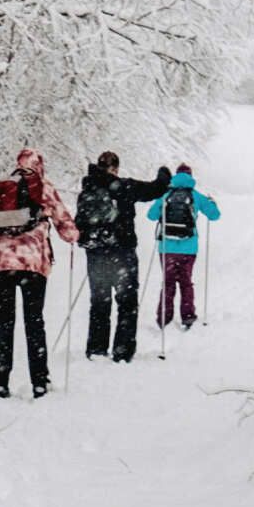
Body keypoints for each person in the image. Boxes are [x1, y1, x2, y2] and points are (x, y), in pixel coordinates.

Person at [0, 149, 80, 398]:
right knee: (34, 321)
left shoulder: (3, 185)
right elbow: (65, 224)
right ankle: (39, 380)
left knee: (4, 321)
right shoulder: (43, 188)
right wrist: (73, 235)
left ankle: (1, 382)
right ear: (40, 166)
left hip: (0, 263)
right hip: (32, 265)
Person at [75, 151, 170, 363]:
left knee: (100, 302)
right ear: (115, 168)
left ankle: (97, 349)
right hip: (122, 253)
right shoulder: (125, 186)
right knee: (127, 303)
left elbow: (79, 223)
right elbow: (156, 188)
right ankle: (122, 350)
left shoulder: (87, 190)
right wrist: (164, 174)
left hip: (96, 253)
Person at [147, 163, 221, 330]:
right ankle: (187, 316)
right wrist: (212, 203)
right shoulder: (196, 196)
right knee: (186, 282)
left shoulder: (166, 196)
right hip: (188, 248)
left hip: (167, 248)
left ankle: (164, 317)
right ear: (190, 176)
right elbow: (215, 216)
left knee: (168, 283)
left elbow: (151, 215)